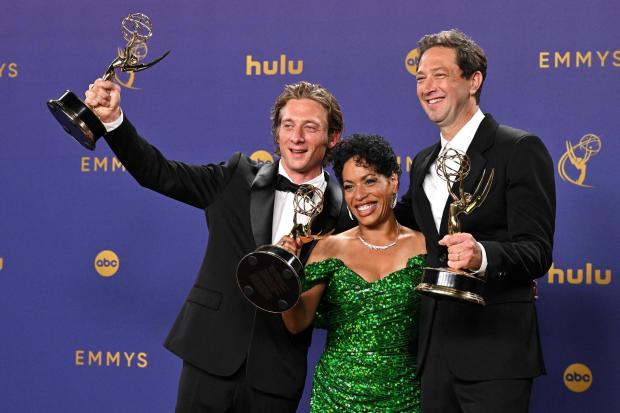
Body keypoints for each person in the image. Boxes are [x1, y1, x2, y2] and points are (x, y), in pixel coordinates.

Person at [84, 79, 353, 412]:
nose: (297, 138)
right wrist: (112, 121)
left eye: (310, 127)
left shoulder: (346, 217)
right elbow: (158, 172)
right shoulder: (237, 177)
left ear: (332, 138)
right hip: (209, 355)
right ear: (277, 133)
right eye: (288, 125)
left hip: (277, 374)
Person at [396, 29, 556, 412]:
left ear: (473, 81)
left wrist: (481, 254)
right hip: (434, 353)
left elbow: (536, 251)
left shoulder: (518, 149)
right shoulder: (422, 163)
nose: (427, 86)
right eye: (420, 78)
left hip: (495, 355)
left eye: (439, 74)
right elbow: (396, 224)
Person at [280, 134, 427, 412]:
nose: (359, 196)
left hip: (405, 398)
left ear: (393, 181)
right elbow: (296, 323)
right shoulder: (328, 248)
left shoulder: (425, 248)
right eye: (349, 186)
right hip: (335, 397)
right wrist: (282, 279)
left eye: (370, 181)